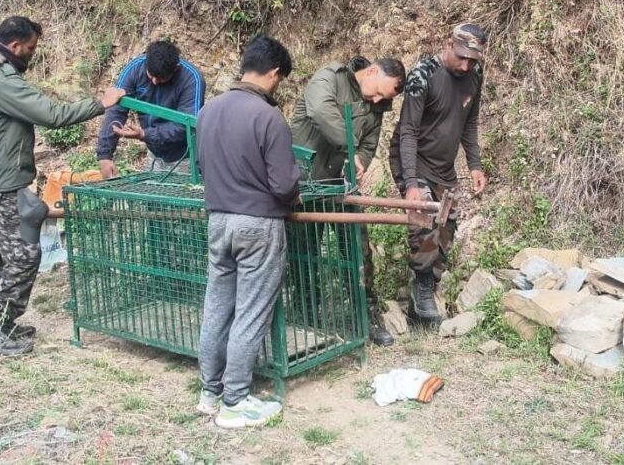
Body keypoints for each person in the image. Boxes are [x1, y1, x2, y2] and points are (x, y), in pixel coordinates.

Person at [0, 16, 125, 356]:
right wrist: (100, 103)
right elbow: (52, 115)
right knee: (26, 254)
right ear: (15, 46)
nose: (32, 54)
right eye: (30, 48)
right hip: (2, 180)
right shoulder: (1, 81)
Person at [195, 33, 300, 429]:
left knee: (218, 307)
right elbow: (284, 184)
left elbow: (203, 166)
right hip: (257, 224)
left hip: (218, 220)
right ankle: (235, 400)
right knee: (251, 313)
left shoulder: (208, 111)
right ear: (273, 73)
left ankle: (210, 392)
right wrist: (295, 188)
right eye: (281, 79)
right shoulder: (268, 116)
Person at [291, 56, 405, 346]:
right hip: (308, 182)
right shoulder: (331, 77)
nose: (379, 99)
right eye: (379, 91)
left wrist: (362, 161)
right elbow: (319, 111)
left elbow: (369, 144)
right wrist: (350, 147)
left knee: (357, 250)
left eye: (385, 97)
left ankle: (366, 316)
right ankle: (304, 316)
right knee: (304, 253)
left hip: (343, 186)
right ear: (371, 71)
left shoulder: (376, 106)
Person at [388, 23, 489, 325]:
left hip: (444, 167)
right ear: (448, 44)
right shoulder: (424, 75)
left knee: (446, 228)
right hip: (414, 160)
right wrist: (410, 183)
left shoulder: (474, 76)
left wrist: (474, 165)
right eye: (461, 57)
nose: (466, 65)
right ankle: (422, 290)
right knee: (424, 226)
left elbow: (469, 125)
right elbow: (407, 131)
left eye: (473, 59)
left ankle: (423, 295)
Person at [96, 38, 206, 177]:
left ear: (176, 69)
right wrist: (105, 155)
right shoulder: (135, 69)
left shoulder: (191, 79)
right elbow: (116, 109)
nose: (154, 81)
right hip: (154, 152)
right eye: (151, 76)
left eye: (161, 78)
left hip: (184, 156)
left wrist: (145, 134)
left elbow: (186, 126)